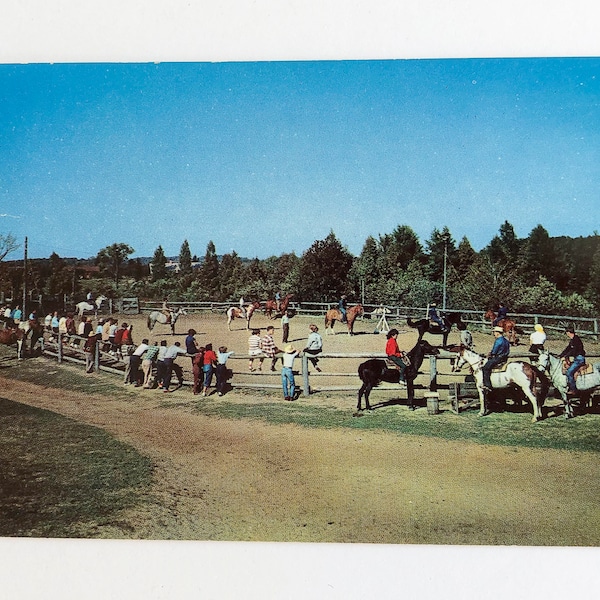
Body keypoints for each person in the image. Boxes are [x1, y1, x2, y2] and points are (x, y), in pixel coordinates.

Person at [481, 326, 510, 392]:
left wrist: (490, 354)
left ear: (497, 333)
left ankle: (487, 385)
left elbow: (494, 351)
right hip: (504, 358)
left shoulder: (498, 341)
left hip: (498, 358)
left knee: (485, 368)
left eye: (494, 332)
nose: (494, 334)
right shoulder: (506, 340)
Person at [558, 325, 586, 395]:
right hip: (577, 358)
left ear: (568, 332)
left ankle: (573, 389)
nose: (566, 334)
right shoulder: (573, 340)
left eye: (566, 332)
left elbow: (574, 350)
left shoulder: (576, 340)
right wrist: (561, 355)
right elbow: (568, 349)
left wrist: (566, 356)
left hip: (579, 359)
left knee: (569, 372)